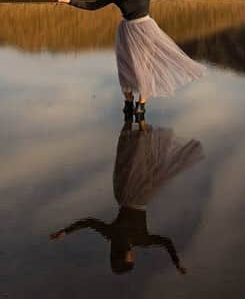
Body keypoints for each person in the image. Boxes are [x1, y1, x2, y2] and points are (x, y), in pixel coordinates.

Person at [52, 0, 207, 116]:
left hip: (146, 30)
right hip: (127, 31)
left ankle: (141, 104)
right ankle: (128, 101)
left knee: (144, 67)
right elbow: (93, 6)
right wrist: (69, 1)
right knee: (126, 67)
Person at [49, 117, 204, 275]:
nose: (132, 257)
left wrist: (65, 231)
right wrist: (176, 262)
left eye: (129, 259)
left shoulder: (124, 237)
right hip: (131, 195)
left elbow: (88, 222)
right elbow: (166, 242)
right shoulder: (131, 238)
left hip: (133, 194)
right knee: (139, 161)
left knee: (133, 160)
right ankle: (138, 124)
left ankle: (133, 119)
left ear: (122, 258)